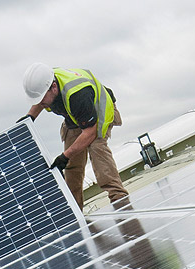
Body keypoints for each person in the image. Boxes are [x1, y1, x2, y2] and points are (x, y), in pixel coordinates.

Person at [20, 63, 128, 209]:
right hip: (76, 116)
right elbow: (40, 97)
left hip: (99, 111)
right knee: (72, 165)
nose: (40, 103)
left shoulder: (78, 95)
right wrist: (30, 117)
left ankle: (120, 199)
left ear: (53, 87)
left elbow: (89, 132)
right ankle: (74, 210)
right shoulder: (46, 83)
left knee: (97, 151)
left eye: (41, 99)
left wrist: (65, 156)